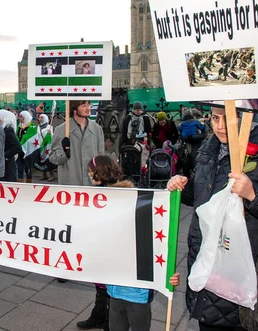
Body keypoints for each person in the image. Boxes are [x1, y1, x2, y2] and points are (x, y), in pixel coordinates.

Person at [167, 106, 258, 330]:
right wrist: (182, 186)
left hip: (254, 280)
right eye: (215, 118)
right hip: (209, 274)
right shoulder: (209, 148)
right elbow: (201, 196)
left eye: (228, 119)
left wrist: (254, 194)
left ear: (248, 118)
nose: (220, 126)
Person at [86, 155, 180, 331]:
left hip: (137, 293)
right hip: (114, 289)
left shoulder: (131, 203)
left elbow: (155, 241)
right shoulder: (104, 199)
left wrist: (167, 272)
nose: (89, 175)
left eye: (91, 172)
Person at [50, 100, 104, 311]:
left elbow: (102, 157)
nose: (88, 107)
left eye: (89, 103)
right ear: (74, 108)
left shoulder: (96, 128)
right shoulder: (60, 129)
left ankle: (90, 264)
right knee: (68, 231)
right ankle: (64, 268)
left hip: (92, 189)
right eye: (84, 104)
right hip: (70, 189)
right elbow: (53, 158)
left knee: (91, 229)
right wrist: (64, 151)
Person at [0, 109, 22, 182]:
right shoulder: (2, 129)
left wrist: (5, 155)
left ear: (4, 118)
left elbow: (17, 147)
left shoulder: (8, 130)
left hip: (8, 164)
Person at [16, 111, 36, 182]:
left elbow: (29, 137)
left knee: (27, 165)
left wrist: (22, 141)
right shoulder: (19, 126)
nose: (19, 118)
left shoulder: (32, 126)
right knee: (19, 164)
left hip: (27, 150)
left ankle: (29, 179)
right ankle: (20, 178)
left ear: (25, 117)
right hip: (20, 149)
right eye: (19, 116)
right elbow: (17, 134)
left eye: (21, 117)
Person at [37, 114, 55, 181]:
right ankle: (44, 175)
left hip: (47, 146)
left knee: (48, 160)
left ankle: (51, 175)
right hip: (41, 145)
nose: (40, 119)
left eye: (42, 117)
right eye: (39, 117)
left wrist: (50, 134)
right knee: (41, 160)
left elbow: (53, 137)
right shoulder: (39, 126)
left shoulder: (49, 126)